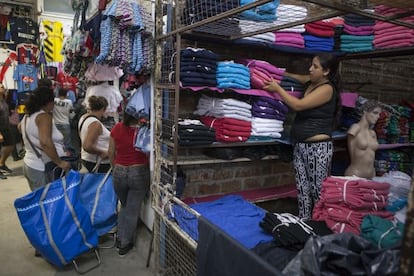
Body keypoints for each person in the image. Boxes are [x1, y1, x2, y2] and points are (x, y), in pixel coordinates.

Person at [263, 53, 341, 220]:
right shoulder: (311, 82)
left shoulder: (326, 89)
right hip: (300, 145)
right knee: (302, 189)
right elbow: (296, 76)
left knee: (317, 191)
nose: (310, 69)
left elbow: (298, 105)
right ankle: (304, 222)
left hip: (317, 148)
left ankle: (321, 224)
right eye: (311, 65)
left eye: (315, 66)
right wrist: (276, 72)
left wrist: (277, 88)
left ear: (326, 71)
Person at [108, 111, 150, 256]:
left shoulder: (116, 128)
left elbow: (111, 152)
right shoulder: (143, 131)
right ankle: (125, 243)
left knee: (124, 205)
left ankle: (120, 238)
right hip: (138, 171)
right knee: (132, 209)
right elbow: (149, 153)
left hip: (119, 171)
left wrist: (116, 168)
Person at [19, 86, 71, 191]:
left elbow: (20, 128)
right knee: (45, 201)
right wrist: (59, 162)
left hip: (31, 163)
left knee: (39, 199)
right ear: (49, 102)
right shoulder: (43, 117)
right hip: (42, 166)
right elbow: (45, 142)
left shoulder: (28, 116)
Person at [344, 100, 382, 179]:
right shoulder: (355, 128)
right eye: (375, 113)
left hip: (371, 175)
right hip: (355, 174)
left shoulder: (372, 133)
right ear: (365, 112)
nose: (378, 116)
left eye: (379, 114)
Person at [78, 95, 111, 172]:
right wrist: (102, 152)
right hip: (98, 162)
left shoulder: (84, 118)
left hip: (88, 159)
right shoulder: (95, 123)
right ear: (103, 109)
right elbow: (87, 145)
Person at [0, 84, 15, 179]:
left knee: (10, 145)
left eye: (3, 86)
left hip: (6, 126)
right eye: (1, 87)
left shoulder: (3, 99)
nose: (3, 88)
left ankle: (2, 163)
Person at [53, 88, 75, 154]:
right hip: (65, 124)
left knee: (56, 142)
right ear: (66, 94)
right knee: (66, 143)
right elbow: (71, 114)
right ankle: (67, 158)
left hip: (55, 124)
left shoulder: (54, 101)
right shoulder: (69, 102)